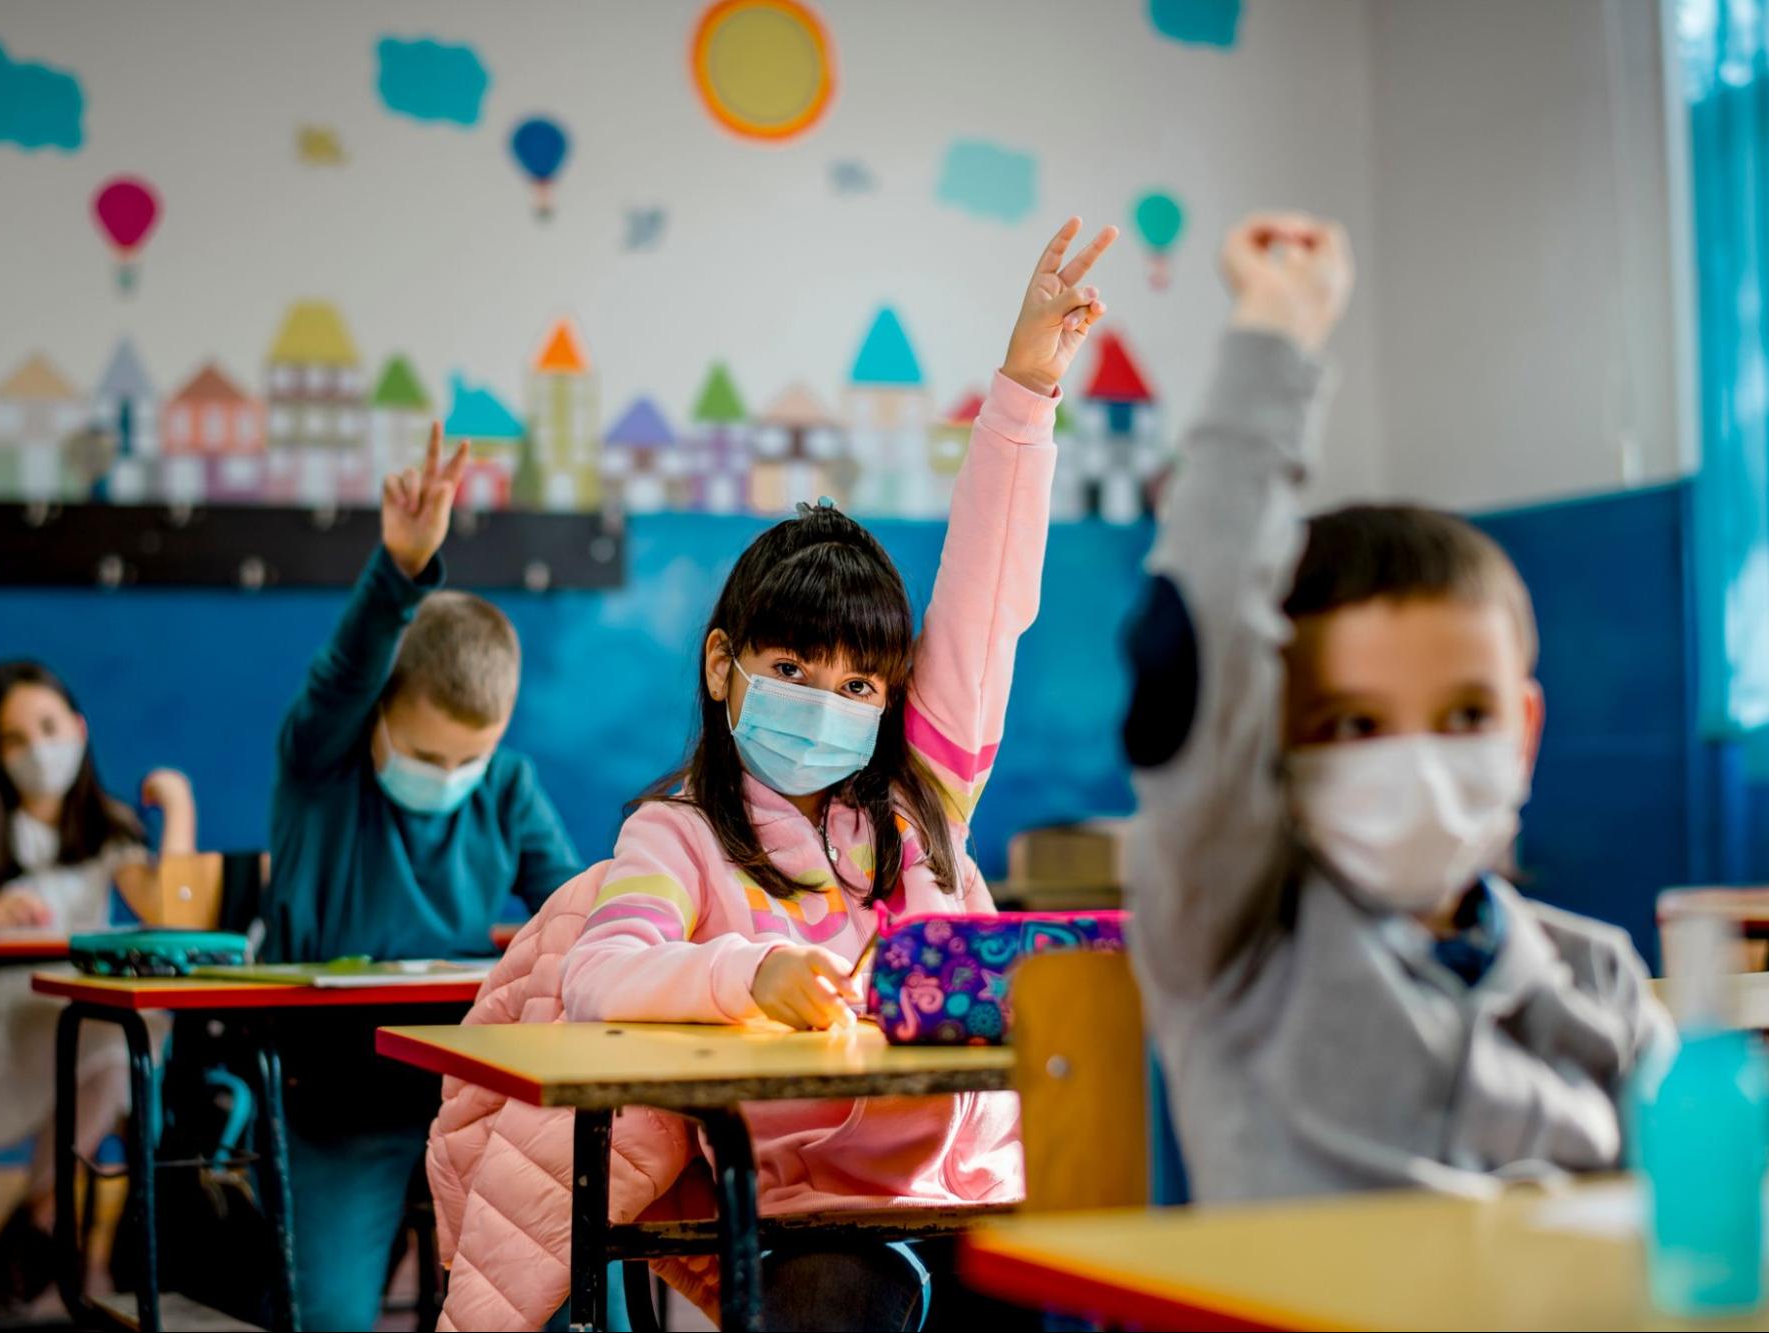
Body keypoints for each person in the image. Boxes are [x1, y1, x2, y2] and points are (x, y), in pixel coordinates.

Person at [555, 217, 1117, 1331]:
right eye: (791, 666)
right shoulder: (676, 839)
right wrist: (743, 975)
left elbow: (985, 604)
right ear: (723, 666)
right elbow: (599, 977)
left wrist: (1024, 391)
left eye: (861, 683)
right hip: (807, 1216)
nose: (828, 699)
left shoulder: (918, 801)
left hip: (973, 1191)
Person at [1121, 211, 1675, 1203]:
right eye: (1352, 724)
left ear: (1526, 732)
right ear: (1269, 745)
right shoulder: (1238, 941)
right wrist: (1276, 335)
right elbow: (1196, 639)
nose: (1416, 758)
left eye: (1465, 715)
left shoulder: (1601, 983)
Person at [265, 430, 583, 1331]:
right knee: (325, 1316)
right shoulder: (321, 766)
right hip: (336, 1098)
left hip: (473, 1093)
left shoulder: (508, 786)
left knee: (546, 1290)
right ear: (379, 715)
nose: (447, 775)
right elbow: (340, 675)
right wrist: (401, 569)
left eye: (467, 758)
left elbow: (568, 904)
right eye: (423, 750)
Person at [0, 659, 194, 1307]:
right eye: (13, 738)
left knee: (126, 1037)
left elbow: (169, 910)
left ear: (78, 728)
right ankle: (44, 1223)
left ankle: (39, 1211)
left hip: (70, 1017)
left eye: (47, 727)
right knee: (110, 1039)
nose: (37, 750)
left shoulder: (105, 824)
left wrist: (180, 805)